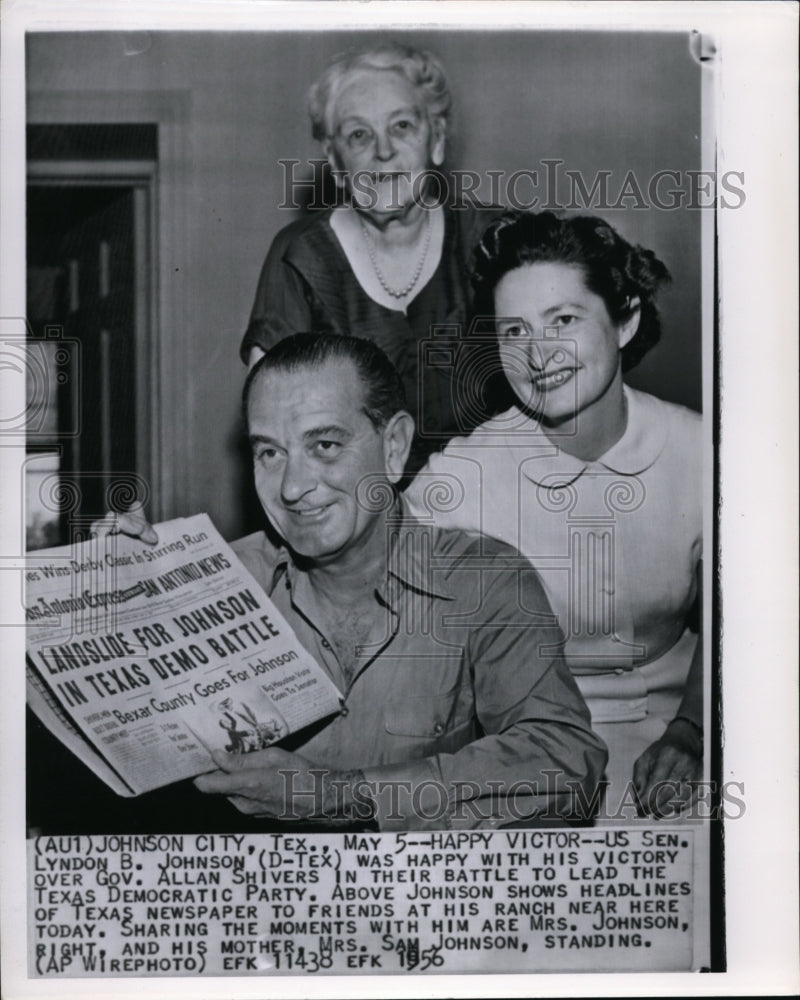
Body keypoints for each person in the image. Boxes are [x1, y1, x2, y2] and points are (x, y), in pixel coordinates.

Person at [107, 333, 607, 831]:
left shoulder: (484, 581)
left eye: (324, 445)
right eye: (269, 454)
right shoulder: (225, 582)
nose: (292, 488)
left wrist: (342, 795)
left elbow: (565, 763)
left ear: (394, 448)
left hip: (424, 899)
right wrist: (126, 608)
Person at [405, 211, 703, 820]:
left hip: (684, 731)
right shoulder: (463, 478)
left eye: (563, 320)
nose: (538, 355)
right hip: (521, 755)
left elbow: (750, 620)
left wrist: (693, 732)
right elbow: (351, 571)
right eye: (513, 331)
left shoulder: (704, 453)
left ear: (625, 320)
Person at [240, 42, 502, 474]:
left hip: (498, 503)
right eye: (359, 134)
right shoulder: (300, 257)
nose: (383, 151)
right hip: (359, 514)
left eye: (401, 126)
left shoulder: (492, 238)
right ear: (336, 163)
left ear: (436, 139)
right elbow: (274, 425)